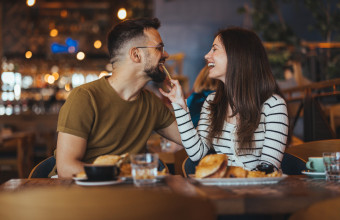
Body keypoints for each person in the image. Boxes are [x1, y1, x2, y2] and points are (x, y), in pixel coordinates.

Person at [55, 18, 181, 178]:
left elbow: (191, 140)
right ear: (136, 54)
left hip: (127, 193)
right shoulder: (85, 98)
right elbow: (66, 168)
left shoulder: (151, 103)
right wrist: (124, 175)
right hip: (80, 194)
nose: (166, 54)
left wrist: (182, 103)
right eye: (159, 48)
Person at [160, 27, 289, 171]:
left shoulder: (273, 105)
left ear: (237, 56)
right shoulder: (212, 101)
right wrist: (179, 104)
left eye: (214, 49)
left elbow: (268, 168)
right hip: (223, 189)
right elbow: (197, 153)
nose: (207, 56)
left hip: (260, 191)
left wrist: (236, 185)